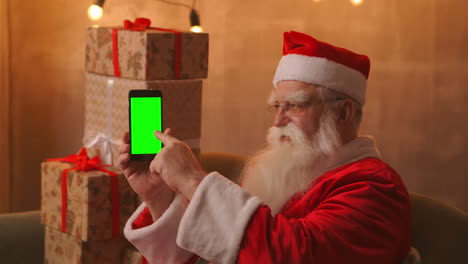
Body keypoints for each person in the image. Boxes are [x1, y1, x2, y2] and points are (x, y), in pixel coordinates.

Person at [119, 31, 420, 264]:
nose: (278, 121)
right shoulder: (289, 172)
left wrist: (192, 180)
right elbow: (219, 254)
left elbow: (291, 257)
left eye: (296, 106)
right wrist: (159, 197)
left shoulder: (374, 188)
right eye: (276, 106)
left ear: (343, 113)